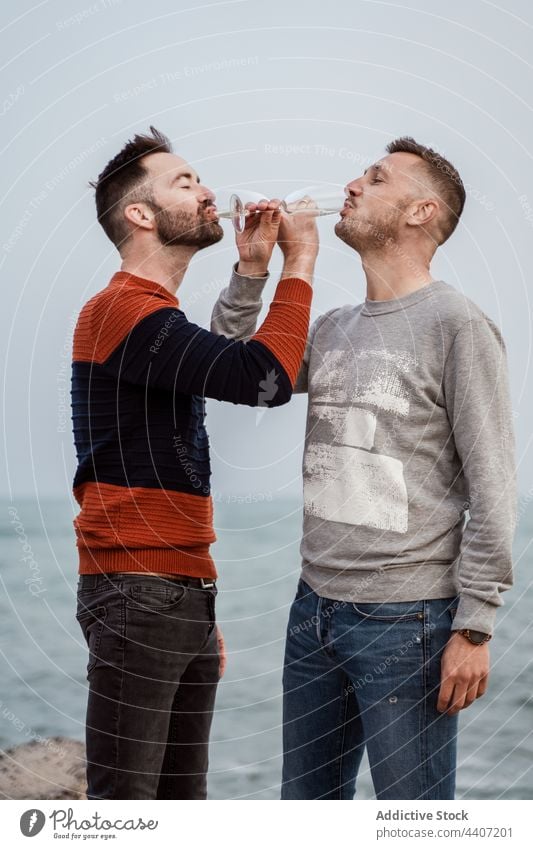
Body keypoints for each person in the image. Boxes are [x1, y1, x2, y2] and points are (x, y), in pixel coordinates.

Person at [210, 137, 517, 800]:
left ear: (419, 213)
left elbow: (493, 487)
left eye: (376, 179)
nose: (351, 185)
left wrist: (474, 625)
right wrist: (252, 270)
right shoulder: (330, 328)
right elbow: (233, 373)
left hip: (409, 621)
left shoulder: (455, 324)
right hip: (312, 609)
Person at [71, 126, 318, 799]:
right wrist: (300, 265)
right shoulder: (121, 310)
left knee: (184, 811)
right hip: (138, 591)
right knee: (126, 812)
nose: (207, 190)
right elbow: (258, 377)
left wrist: (253, 269)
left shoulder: (155, 319)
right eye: (185, 182)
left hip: (175, 590)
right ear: (140, 215)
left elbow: (220, 361)